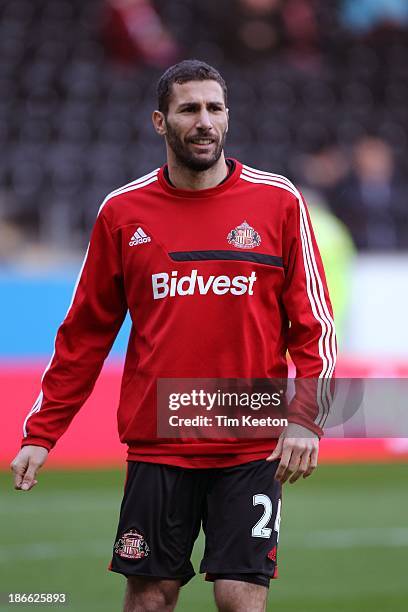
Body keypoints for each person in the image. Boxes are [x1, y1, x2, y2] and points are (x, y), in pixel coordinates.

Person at [11, 60, 336, 612]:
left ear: (228, 117)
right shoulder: (122, 212)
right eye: (189, 109)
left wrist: (306, 416)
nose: (204, 121)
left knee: (240, 597)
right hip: (161, 435)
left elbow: (314, 327)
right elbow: (85, 335)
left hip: (250, 432)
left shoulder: (278, 201)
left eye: (215, 108)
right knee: (149, 598)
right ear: (160, 122)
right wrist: (42, 432)